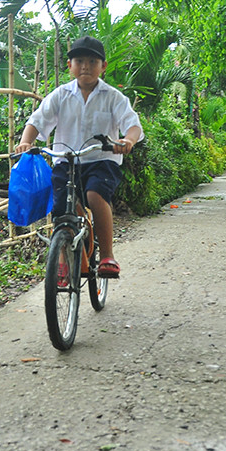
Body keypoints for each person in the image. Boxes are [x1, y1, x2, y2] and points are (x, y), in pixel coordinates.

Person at [15, 35, 144, 278]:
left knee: (95, 195)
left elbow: (133, 125)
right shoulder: (60, 95)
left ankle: (107, 255)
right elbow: (38, 121)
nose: (86, 66)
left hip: (101, 161)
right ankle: (63, 258)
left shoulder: (114, 97)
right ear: (70, 65)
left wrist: (128, 140)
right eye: (80, 60)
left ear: (103, 66)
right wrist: (26, 142)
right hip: (66, 160)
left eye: (93, 61)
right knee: (64, 207)